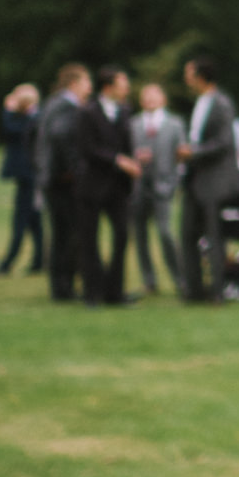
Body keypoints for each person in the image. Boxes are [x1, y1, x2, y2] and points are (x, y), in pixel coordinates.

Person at [175, 55, 239, 303]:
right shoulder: (200, 103)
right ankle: (193, 290)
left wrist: (193, 152)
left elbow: (224, 142)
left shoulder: (221, 103)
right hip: (194, 179)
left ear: (201, 77)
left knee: (214, 236)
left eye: (189, 74)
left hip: (214, 181)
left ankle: (217, 290)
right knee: (187, 233)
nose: (185, 79)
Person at [74, 66, 141, 306]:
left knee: (122, 235)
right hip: (92, 185)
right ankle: (93, 292)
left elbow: (126, 145)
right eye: (123, 82)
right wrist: (117, 160)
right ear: (108, 86)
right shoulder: (88, 113)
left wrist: (133, 160)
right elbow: (87, 148)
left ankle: (115, 291)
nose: (127, 88)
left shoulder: (124, 111)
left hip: (118, 187)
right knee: (89, 239)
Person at [36, 65, 90, 302]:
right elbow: (62, 137)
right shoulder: (66, 107)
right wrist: (73, 170)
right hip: (62, 181)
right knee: (68, 235)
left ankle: (60, 287)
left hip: (52, 179)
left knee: (60, 235)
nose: (90, 86)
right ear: (74, 83)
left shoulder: (52, 104)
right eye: (87, 81)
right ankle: (64, 287)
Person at [128, 83, 184, 296]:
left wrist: (176, 182)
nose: (150, 99)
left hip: (164, 186)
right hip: (139, 187)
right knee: (140, 235)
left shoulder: (174, 124)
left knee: (166, 232)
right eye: (146, 95)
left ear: (163, 99)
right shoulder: (133, 124)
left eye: (155, 95)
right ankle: (149, 281)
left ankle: (180, 279)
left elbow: (181, 156)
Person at [0, 83, 45, 276]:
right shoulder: (30, 117)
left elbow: (10, 130)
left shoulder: (32, 118)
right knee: (34, 221)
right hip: (28, 176)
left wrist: (8, 109)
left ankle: (7, 263)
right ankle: (40, 260)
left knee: (20, 220)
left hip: (29, 176)